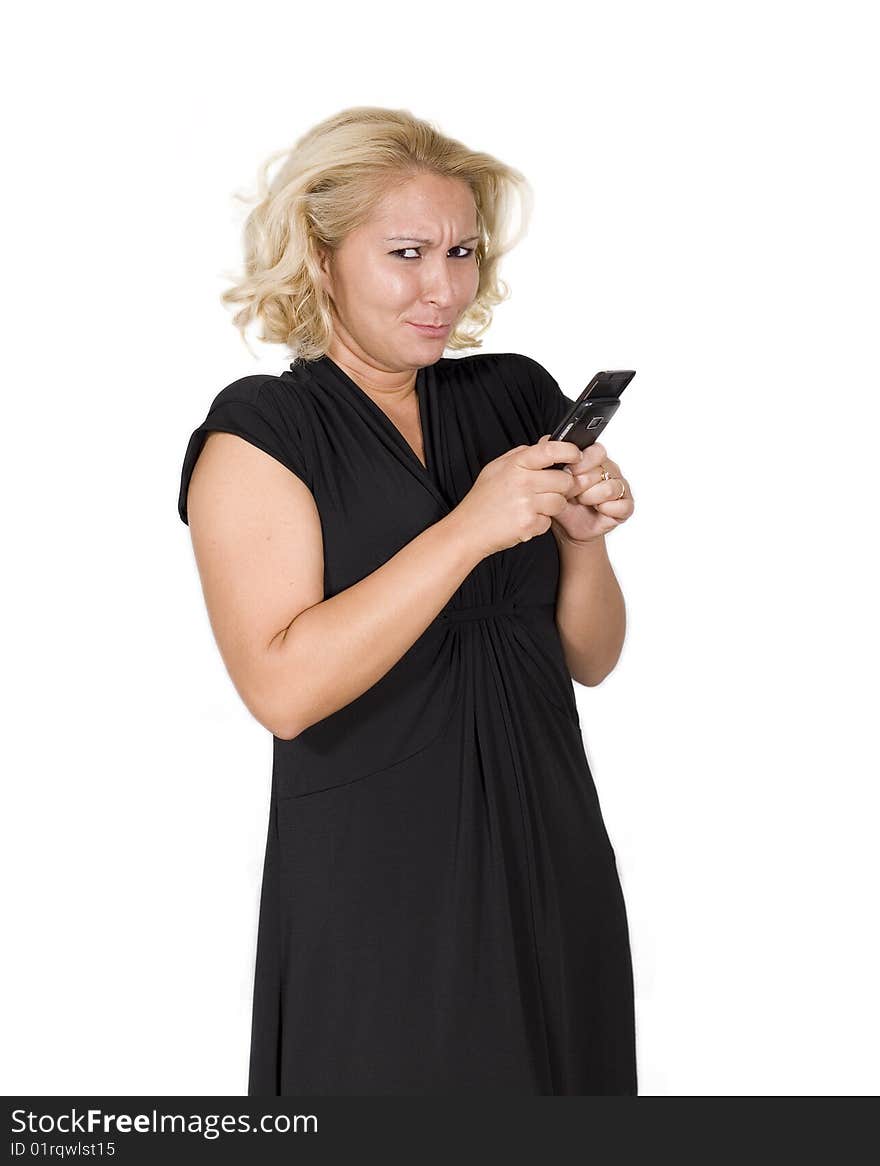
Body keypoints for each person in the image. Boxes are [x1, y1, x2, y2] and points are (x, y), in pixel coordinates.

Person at [177, 106, 638, 1095]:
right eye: (407, 252)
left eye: (462, 250)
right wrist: (470, 527)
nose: (445, 287)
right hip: (381, 880)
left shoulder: (517, 394)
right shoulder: (259, 435)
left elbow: (591, 657)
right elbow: (283, 690)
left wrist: (583, 544)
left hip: (551, 846)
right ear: (319, 251)